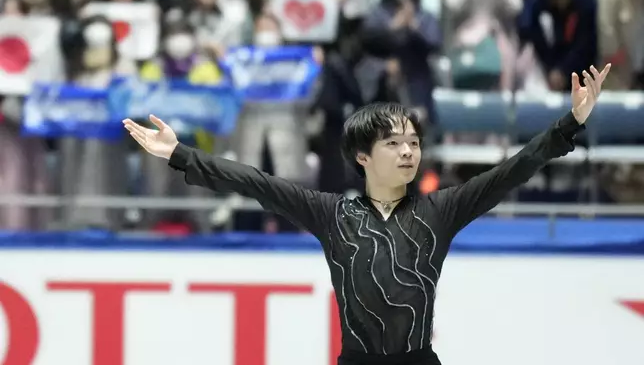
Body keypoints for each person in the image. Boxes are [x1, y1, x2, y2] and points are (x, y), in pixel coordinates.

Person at [123, 64, 610, 365]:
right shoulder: (331, 213)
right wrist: (180, 154)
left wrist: (570, 124)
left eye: (414, 143)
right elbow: (254, 181)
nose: (407, 152)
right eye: (393, 143)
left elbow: (513, 170)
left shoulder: (441, 210)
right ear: (362, 156)